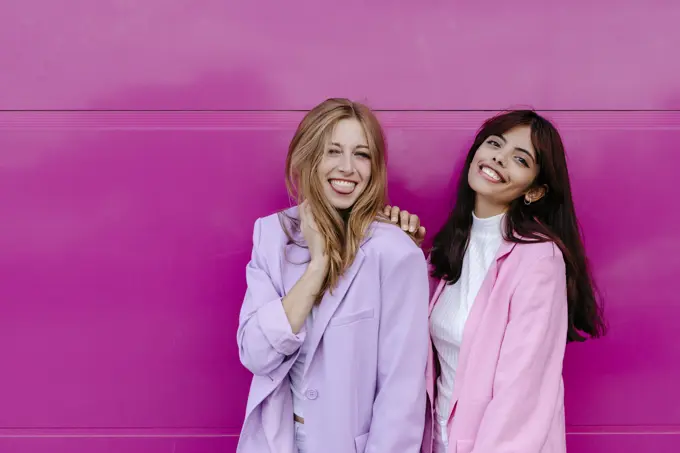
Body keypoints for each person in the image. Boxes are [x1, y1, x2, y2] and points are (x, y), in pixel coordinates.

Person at [386, 110, 606, 453]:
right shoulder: (447, 250)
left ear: (534, 190)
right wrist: (401, 250)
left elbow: (521, 392)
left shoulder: (538, 260)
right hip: (440, 441)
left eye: (520, 158)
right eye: (494, 144)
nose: (499, 159)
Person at [236, 98, 430, 453]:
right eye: (333, 151)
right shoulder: (271, 235)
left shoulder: (397, 252)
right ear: (309, 156)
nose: (347, 168)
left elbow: (402, 396)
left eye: (362, 154)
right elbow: (256, 355)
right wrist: (317, 268)